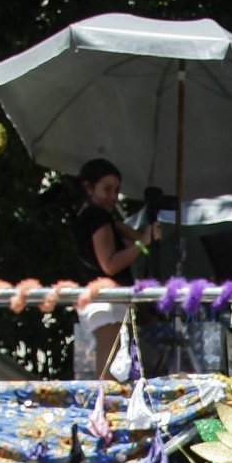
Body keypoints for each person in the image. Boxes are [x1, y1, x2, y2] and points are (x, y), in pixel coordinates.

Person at [68, 157, 146, 381]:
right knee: (111, 348)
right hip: (105, 296)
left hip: (101, 296)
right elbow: (110, 264)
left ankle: (108, 397)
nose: (113, 196)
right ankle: (107, 400)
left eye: (117, 191)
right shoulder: (96, 216)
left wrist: (135, 236)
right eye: (107, 189)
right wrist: (143, 243)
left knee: (115, 349)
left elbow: (136, 238)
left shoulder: (91, 217)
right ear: (88, 188)